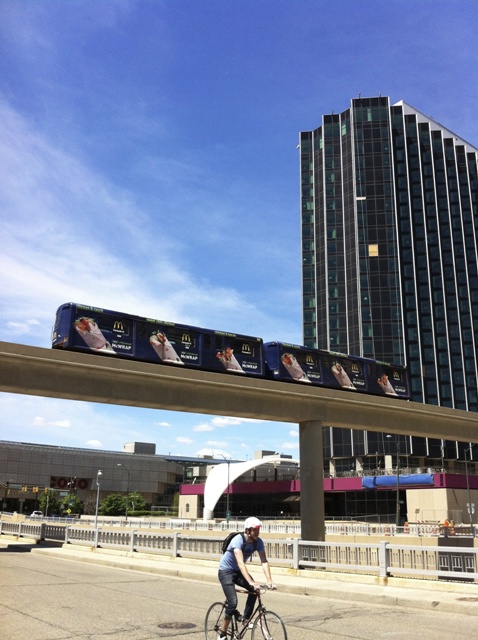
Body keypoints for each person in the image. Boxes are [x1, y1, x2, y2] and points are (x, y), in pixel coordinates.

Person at [217, 517, 276, 639]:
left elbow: (264, 561)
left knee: (254, 590)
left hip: (238, 572)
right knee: (233, 602)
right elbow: (240, 563)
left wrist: (269, 580)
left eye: (258, 529)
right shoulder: (238, 540)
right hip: (225, 571)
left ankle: (245, 619)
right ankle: (222, 634)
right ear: (248, 530)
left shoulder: (258, 542)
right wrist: (250, 581)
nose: (257, 532)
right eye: (255, 530)